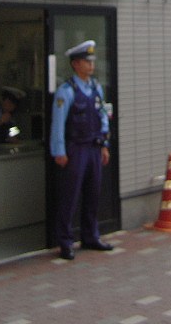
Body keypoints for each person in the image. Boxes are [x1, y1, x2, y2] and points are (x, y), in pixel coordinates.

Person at [50, 40, 112, 260]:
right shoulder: (66, 91)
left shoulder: (96, 87)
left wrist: (105, 143)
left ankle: (90, 236)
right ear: (76, 64)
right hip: (75, 149)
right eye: (87, 61)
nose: (91, 65)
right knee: (70, 196)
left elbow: (103, 115)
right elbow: (58, 124)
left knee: (93, 194)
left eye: (92, 61)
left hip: (94, 148)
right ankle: (65, 241)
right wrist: (59, 151)